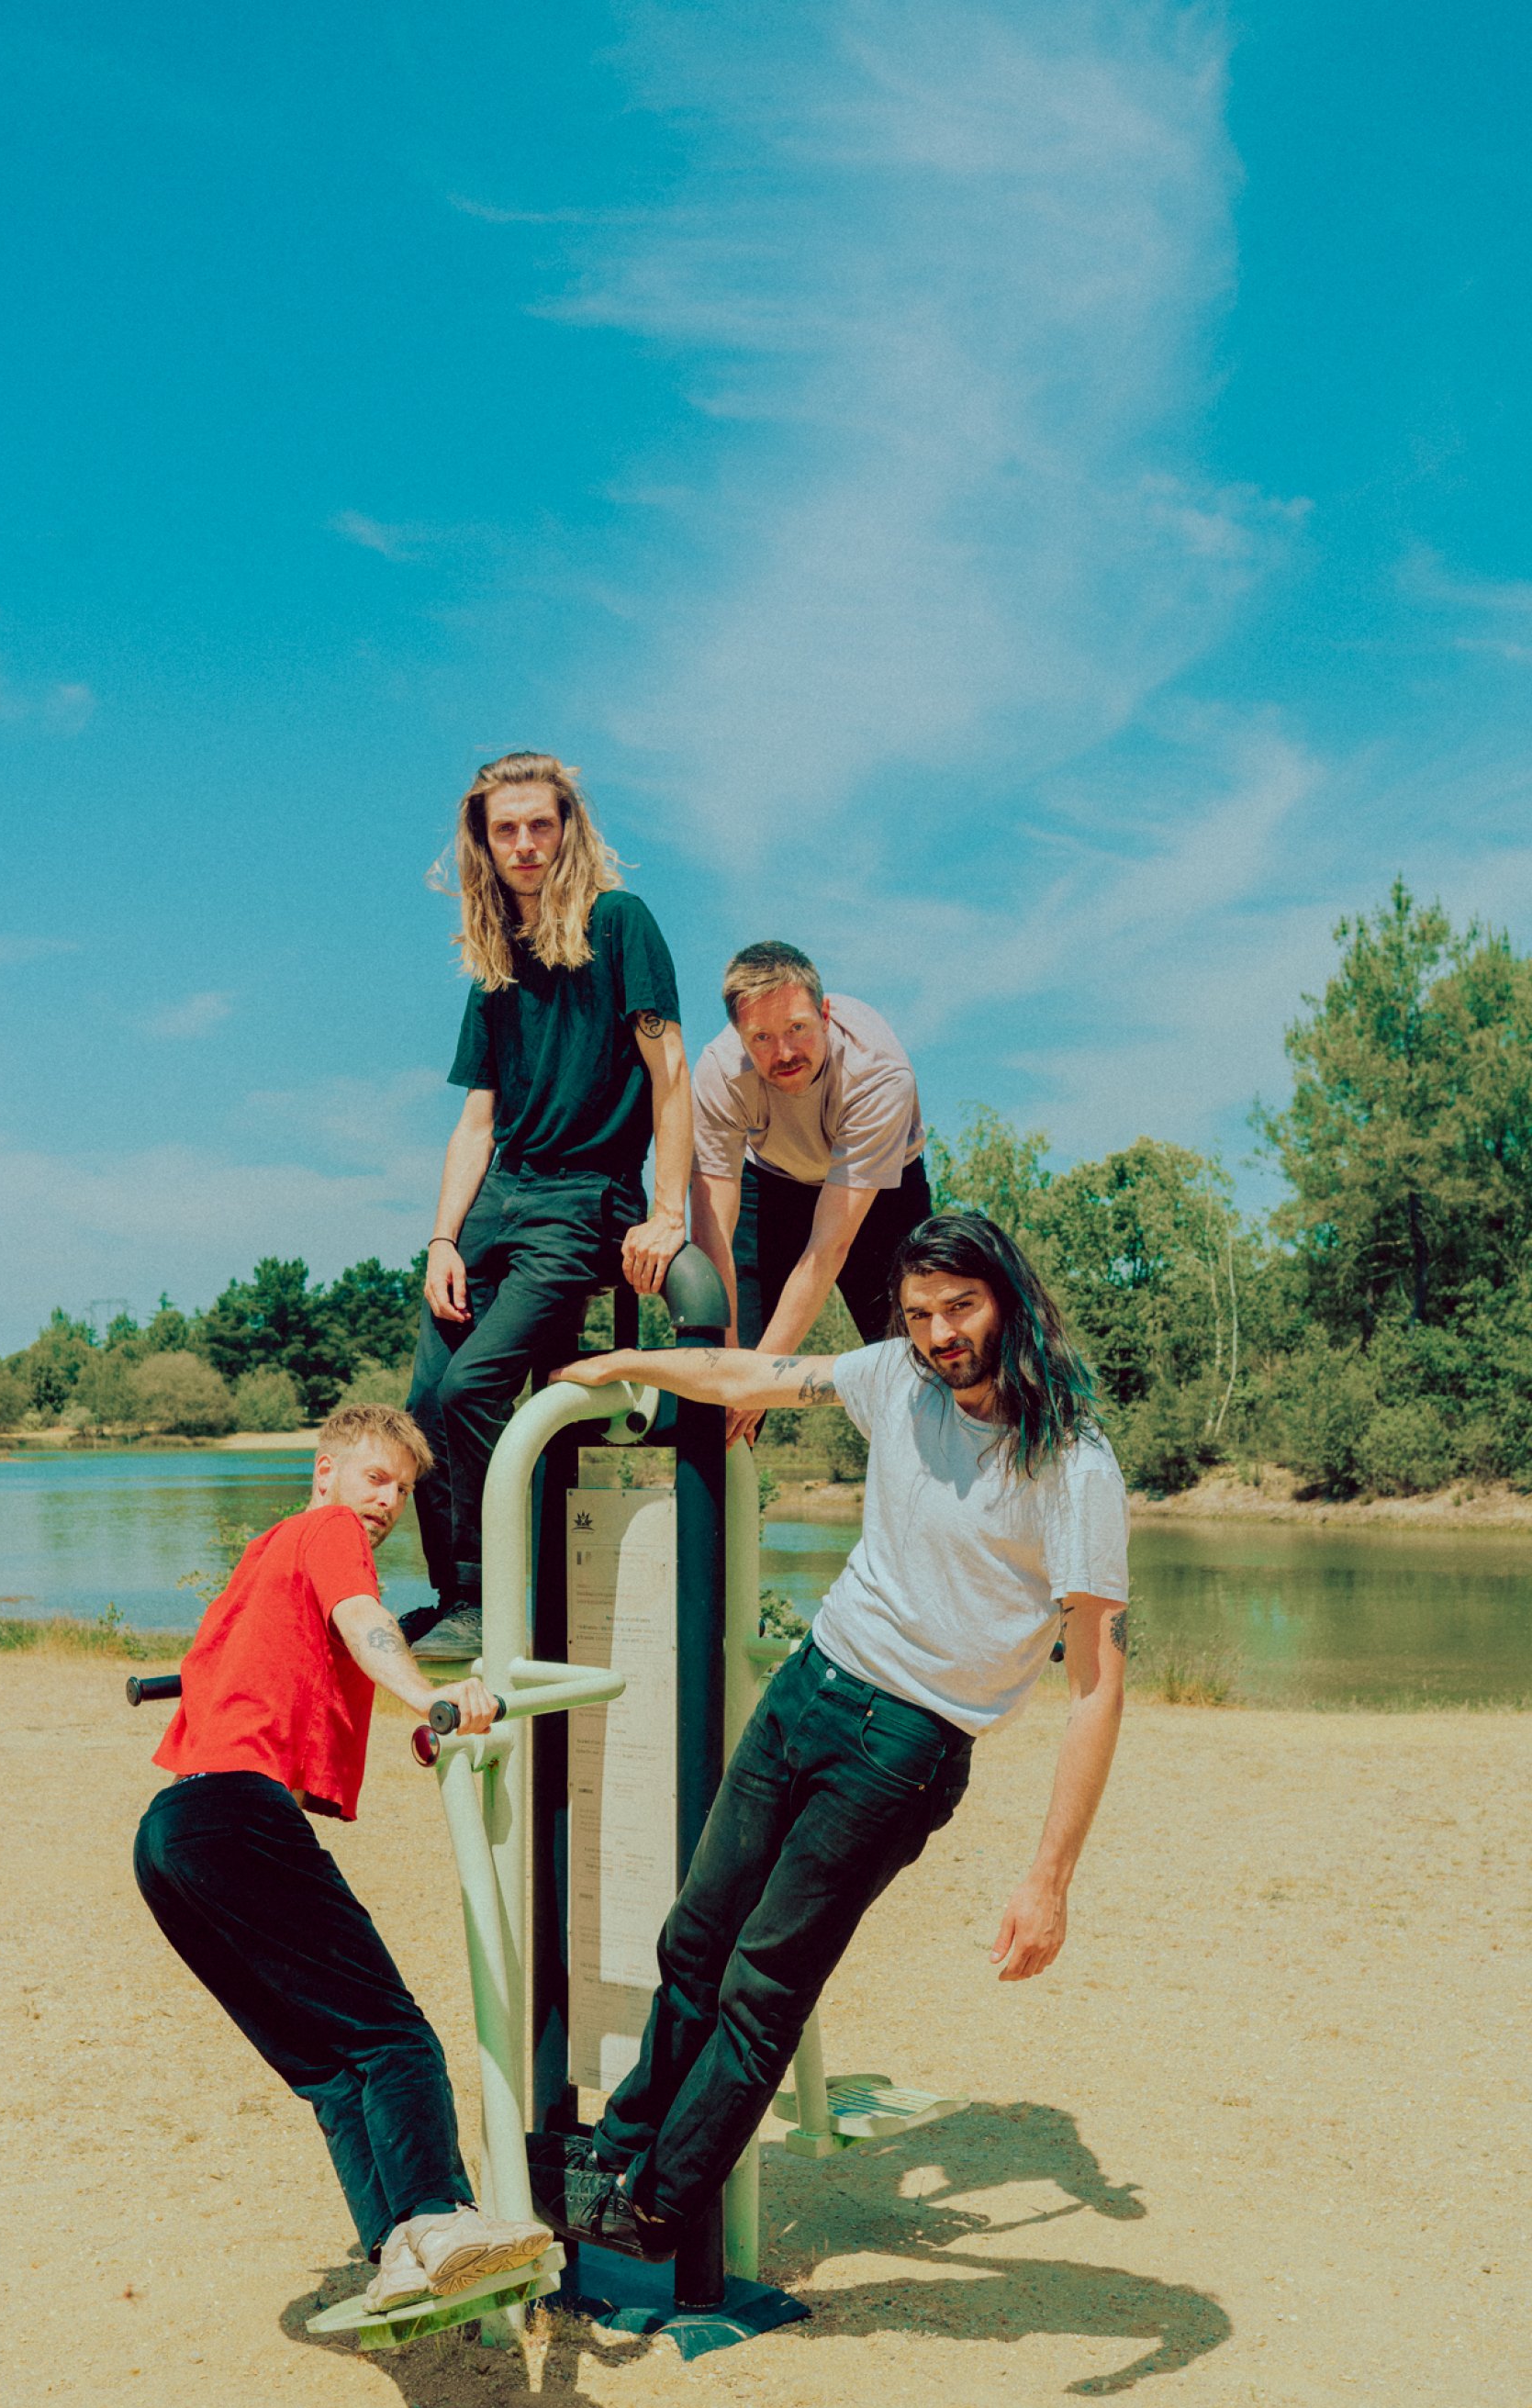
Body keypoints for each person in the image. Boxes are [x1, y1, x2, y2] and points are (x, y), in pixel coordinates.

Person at [525, 1212, 1130, 2259]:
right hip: (809, 1685)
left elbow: (1096, 1691)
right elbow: (747, 1374)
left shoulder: (1072, 1465)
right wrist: (624, 1362)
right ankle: (613, 2152)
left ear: (1009, 1299)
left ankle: (656, 2207)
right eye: (920, 1312)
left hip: (903, 1749)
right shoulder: (895, 1376)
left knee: (763, 1983)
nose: (940, 1335)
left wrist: (1049, 1879)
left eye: (961, 1307)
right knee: (694, 1941)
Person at [132, 1403, 554, 2315]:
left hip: (169, 1839)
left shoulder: (264, 1558)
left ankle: (399, 2252)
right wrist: (430, 1696)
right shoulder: (329, 1532)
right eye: (375, 1476)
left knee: (330, 2068)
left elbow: (293, 1654)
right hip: (235, 1820)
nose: (387, 1501)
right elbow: (364, 1620)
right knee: (393, 2036)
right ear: (325, 1471)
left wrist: (403, 1695)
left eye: (401, 1490)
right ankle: (439, 2218)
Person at [405, 752, 691, 1663]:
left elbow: (671, 1074)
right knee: (424, 1403)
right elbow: (476, 1119)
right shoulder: (495, 961)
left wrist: (667, 1212)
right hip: (499, 1194)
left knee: (474, 1387)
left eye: (540, 823)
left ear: (568, 828)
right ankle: (457, 1598)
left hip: (582, 1196)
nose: (524, 843)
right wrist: (442, 1237)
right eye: (506, 829)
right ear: (483, 844)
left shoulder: (619, 922)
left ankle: (501, 1600)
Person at [690, 940, 929, 1439]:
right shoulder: (719, 1071)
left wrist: (756, 1383)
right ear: (739, 1036)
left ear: (824, 1014)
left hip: (879, 1192)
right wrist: (732, 1374)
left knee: (914, 1366)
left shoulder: (879, 1074)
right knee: (720, 1387)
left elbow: (829, 1246)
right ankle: (720, 1488)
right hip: (771, 1181)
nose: (784, 1053)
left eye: (797, 1028)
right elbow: (713, 1231)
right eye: (761, 1037)